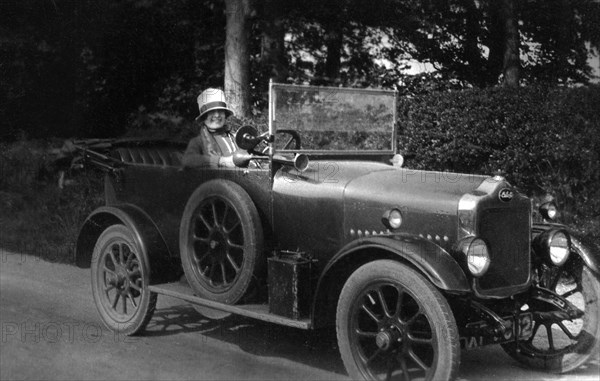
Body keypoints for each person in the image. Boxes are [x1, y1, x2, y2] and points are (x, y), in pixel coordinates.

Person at [182, 88, 237, 168]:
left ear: (225, 115)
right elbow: (187, 160)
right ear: (204, 118)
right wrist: (220, 161)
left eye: (220, 111)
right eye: (212, 112)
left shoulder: (234, 139)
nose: (217, 115)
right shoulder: (198, 141)